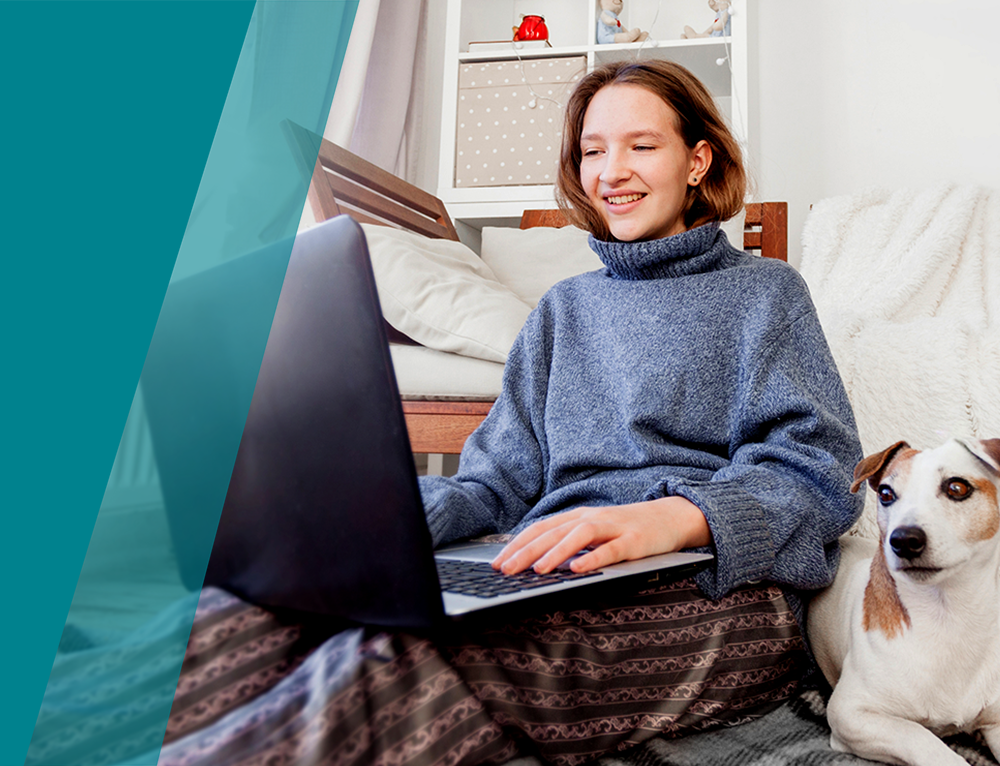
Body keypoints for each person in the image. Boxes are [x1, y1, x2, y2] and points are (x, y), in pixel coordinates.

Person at [154, 60, 863, 766]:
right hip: (550, 565)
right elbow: (493, 484)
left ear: (697, 160)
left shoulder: (765, 294)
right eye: (592, 151)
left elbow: (819, 472)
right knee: (234, 619)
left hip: (718, 589)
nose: (611, 170)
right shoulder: (562, 311)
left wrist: (670, 518)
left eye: (641, 145)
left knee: (390, 660)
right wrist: (368, 522)